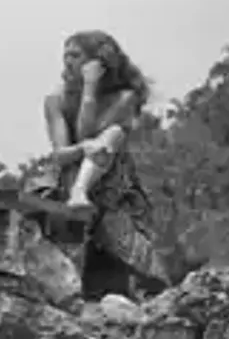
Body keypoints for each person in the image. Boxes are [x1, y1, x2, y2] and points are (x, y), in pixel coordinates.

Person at [32, 29, 152, 210]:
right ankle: (74, 192)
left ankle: (80, 191)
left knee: (114, 133)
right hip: (68, 172)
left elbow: (87, 135)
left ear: (98, 63)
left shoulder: (124, 98)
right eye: (66, 56)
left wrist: (89, 89)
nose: (67, 62)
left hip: (108, 177)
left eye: (75, 56)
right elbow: (60, 154)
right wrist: (82, 148)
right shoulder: (56, 99)